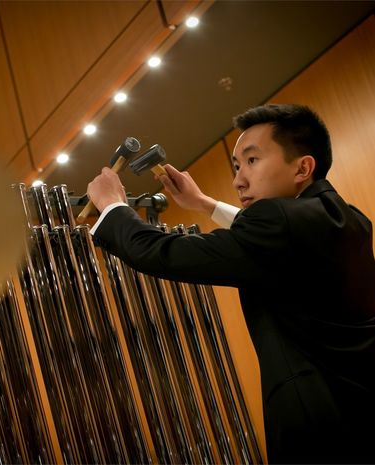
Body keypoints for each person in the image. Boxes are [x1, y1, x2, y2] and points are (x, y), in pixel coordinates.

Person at [86, 103, 375, 464]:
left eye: (252, 161)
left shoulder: (279, 223)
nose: (239, 179)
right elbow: (280, 241)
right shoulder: (348, 219)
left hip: (317, 428)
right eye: (237, 166)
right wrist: (204, 204)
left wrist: (113, 207)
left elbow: (164, 253)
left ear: (303, 167)